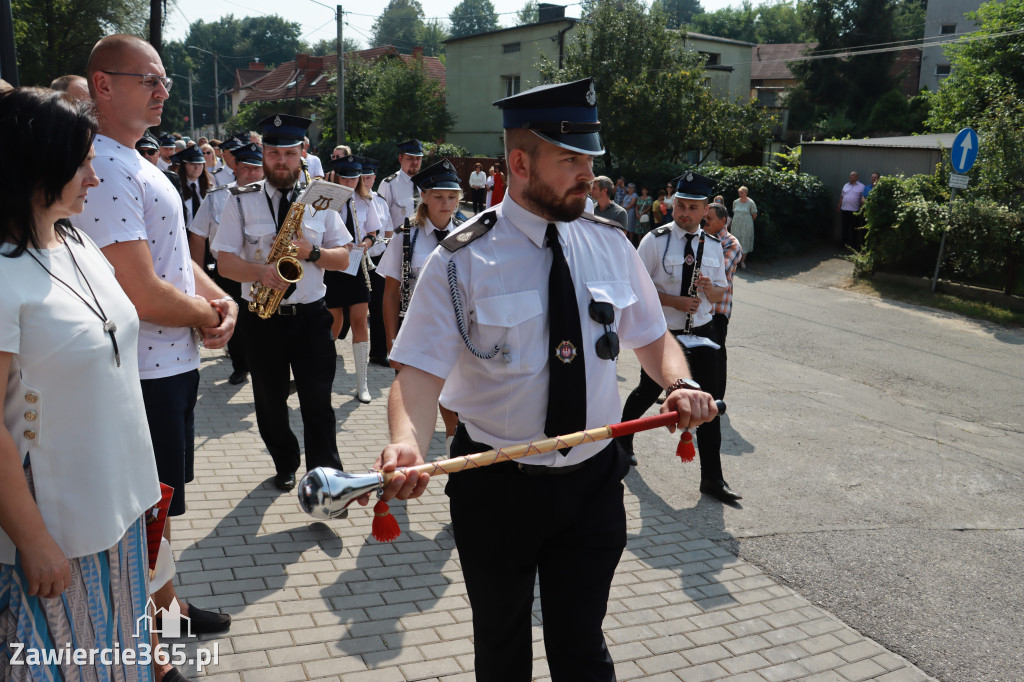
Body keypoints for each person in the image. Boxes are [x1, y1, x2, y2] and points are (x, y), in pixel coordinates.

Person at [368, 78, 718, 682]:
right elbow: (418, 373)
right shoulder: (458, 259)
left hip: (593, 484)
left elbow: (652, 337)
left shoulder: (610, 243)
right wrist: (407, 442)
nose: (587, 174)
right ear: (521, 163)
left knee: (582, 647)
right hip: (494, 483)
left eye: (590, 160)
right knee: (502, 651)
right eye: (571, 160)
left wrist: (676, 383)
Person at [73, 36, 238, 667]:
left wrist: (221, 300)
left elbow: (176, 262)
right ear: (103, 86)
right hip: (143, 372)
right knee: (147, 512)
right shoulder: (107, 167)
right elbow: (139, 289)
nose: (163, 90)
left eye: (164, 79)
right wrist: (210, 315)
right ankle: (153, 648)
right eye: (150, 79)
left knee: (161, 508)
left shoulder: (133, 160)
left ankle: (168, 614)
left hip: (170, 367)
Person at [0, 86, 162, 682]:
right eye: (82, 160)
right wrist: (33, 538)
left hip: (114, 510)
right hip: (54, 525)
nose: (95, 175)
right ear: (36, 164)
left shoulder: (76, 239)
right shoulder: (0, 274)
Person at [212, 113, 351, 492]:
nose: (281, 161)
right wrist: (261, 273)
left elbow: (344, 257)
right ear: (263, 153)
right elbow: (224, 262)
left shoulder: (321, 200)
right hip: (262, 317)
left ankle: (326, 479)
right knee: (270, 402)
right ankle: (286, 461)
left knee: (318, 402)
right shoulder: (240, 202)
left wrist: (313, 251)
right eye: (273, 152)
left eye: (289, 153)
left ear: (302, 153)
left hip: (310, 317)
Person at [621, 171, 737, 501]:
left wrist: (708, 289)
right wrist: (674, 301)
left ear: (705, 211)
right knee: (647, 391)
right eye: (679, 205)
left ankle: (712, 479)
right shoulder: (654, 241)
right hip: (665, 335)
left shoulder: (714, 246)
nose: (684, 212)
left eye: (692, 207)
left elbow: (719, 295)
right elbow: (636, 291)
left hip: (701, 334)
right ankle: (622, 441)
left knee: (710, 405)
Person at [377, 158, 465, 449]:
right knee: (413, 408)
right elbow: (390, 292)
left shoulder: (469, 234)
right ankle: (404, 462)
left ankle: (456, 467)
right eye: (438, 196)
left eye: (452, 197)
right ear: (424, 197)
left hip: (457, 332)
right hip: (415, 332)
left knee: (455, 408)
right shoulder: (406, 236)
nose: (446, 203)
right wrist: (392, 342)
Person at [187, 142, 265, 386]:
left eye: (257, 168)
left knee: (261, 324)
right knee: (235, 322)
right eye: (247, 168)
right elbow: (198, 234)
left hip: (260, 272)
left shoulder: (272, 199)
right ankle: (240, 366)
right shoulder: (218, 197)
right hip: (227, 271)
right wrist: (198, 276)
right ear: (235, 168)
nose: (252, 173)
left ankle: (263, 368)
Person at [322, 154, 381, 403]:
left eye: (353, 178)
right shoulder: (325, 199)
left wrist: (365, 244)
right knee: (333, 324)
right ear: (335, 176)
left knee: (359, 321)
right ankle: (322, 379)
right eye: (344, 177)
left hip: (356, 265)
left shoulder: (366, 200)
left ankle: (362, 383)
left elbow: (373, 232)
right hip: (332, 266)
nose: (349, 183)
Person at [703, 201, 741, 418]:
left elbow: (718, 270)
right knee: (698, 352)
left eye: (709, 218)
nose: (705, 221)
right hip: (702, 308)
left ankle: (717, 400)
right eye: (705, 218)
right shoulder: (704, 237)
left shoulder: (731, 244)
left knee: (717, 354)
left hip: (718, 308)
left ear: (723, 221)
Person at [356, 156, 393, 368]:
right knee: (350, 305)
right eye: (362, 177)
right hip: (355, 257)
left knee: (379, 307)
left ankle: (378, 352)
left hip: (377, 259)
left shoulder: (380, 201)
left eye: (369, 177)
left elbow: (388, 231)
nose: (366, 182)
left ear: (374, 178)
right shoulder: (351, 200)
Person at [377, 139, 423, 231]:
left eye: (418, 159)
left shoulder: (426, 183)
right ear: (400, 159)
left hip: (422, 240)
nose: (415, 162)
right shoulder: (388, 185)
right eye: (410, 158)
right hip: (398, 241)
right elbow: (381, 219)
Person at [172, 145, 211, 227]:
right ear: (184, 165)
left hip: (204, 235)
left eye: (200, 164)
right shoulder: (175, 189)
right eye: (192, 164)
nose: (197, 168)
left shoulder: (209, 188)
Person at [731, 185, 757, 269]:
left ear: (746, 193)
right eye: (739, 193)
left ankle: (742, 262)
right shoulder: (736, 202)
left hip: (746, 226)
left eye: (742, 193)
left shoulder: (751, 202)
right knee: (735, 242)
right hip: (736, 225)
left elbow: (754, 214)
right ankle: (734, 261)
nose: (740, 194)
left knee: (744, 243)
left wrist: (747, 222)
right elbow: (734, 211)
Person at [838, 170, 865, 247]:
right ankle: (843, 244)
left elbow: (862, 199)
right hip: (844, 210)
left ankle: (853, 245)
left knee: (854, 229)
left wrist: (861, 209)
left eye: (852, 175)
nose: (850, 176)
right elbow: (842, 197)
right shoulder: (846, 185)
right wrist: (838, 206)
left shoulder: (861, 186)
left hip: (855, 211)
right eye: (850, 175)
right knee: (844, 228)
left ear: (857, 177)